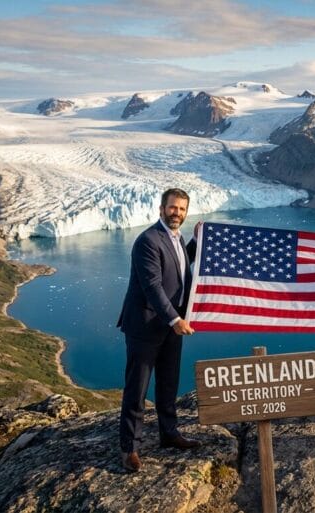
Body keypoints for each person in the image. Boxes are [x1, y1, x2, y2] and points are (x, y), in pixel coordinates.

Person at [118, 188, 202, 473]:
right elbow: (152, 286)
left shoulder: (176, 238)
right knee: (137, 388)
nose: (176, 212)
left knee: (168, 383)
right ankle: (130, 447)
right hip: (146, 325)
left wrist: (195, 240)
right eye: (172, 208)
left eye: (181, 209)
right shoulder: (147, 241)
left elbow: (180, 266)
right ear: (161, 209)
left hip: (171, 325)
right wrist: (175, 320)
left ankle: (169, 433)